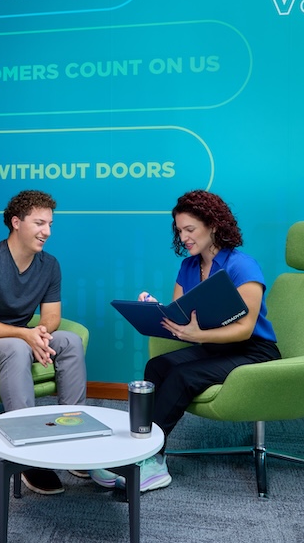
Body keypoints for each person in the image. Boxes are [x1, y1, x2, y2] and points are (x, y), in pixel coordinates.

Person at [92, 190, 281, 493]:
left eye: (190, 229)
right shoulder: (189, 266)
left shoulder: (242, 266)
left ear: (214, 226)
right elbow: (181, 318)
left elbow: (245, 329)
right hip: (214, 347)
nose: (184, 237)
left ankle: (144, 457)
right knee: (157, 366)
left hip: (254, 351)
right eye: (180, 230)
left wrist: (198, 336)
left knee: (182, 376)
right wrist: (157, 310)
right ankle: (151, 456)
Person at [0, 189, 87, 495]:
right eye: (40, 223)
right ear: (16, 222)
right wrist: (24, 335)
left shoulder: (49, 264)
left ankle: (75, 438)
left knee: (70, 342)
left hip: (21, 336)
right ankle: (28, 456)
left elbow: (52, 315)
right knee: (15, 348)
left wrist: (39, 332)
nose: (47, 232)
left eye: (50, 224)